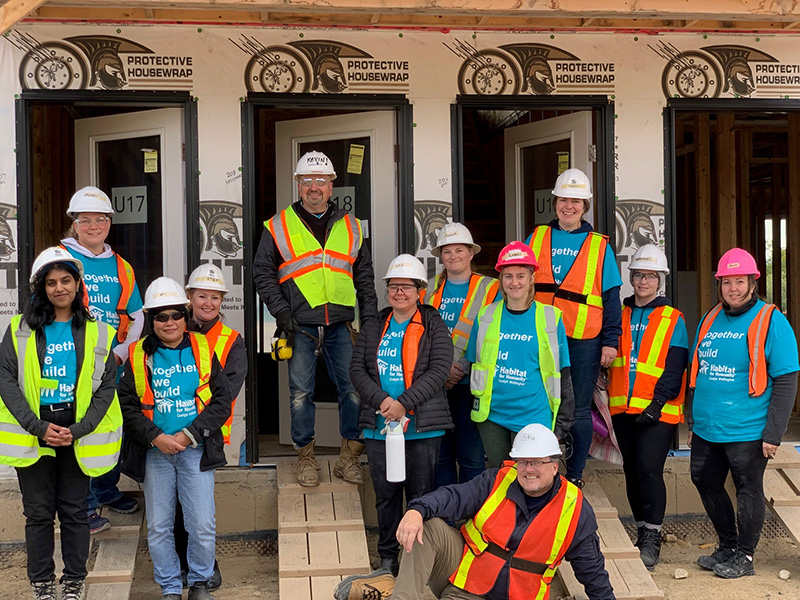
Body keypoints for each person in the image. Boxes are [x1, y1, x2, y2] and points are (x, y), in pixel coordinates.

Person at [334, 423, 615, 600]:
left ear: (555, 466)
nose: (529, 469)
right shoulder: (496, 480)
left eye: (537, 463)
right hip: (462, 576)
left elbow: (592, 571)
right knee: (429, 526)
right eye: (523, 462)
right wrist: (416, 510)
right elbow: (453, 496)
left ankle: (385, 588)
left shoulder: (575, 508)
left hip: (518, 593)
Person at [0, 247, 122, 600]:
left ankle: (73, 580)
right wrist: (37, 426)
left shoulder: (97, 332)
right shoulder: (19, 329)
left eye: (65, 280)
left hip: (76, 428)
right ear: (40, 288)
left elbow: (106, 386)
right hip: (34, 428)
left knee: (74, 512)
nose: (59, 288)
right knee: (38, 514)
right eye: (50, 282)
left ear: (77, 284)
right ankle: (42, 585)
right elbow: (6, 379)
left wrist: (79, 429)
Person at [254, 151, 379, 486]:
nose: (314, 187)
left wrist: (369, 319)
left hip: (341, 324)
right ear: (297, 185)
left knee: (353, 391)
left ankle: (348, 458)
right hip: (300, 325)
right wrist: (281, 311)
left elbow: (363, 276)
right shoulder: (278, 226)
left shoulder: (351, 226)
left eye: (320, 181)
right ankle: (305, 460)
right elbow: (262, 273)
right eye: (307, 181)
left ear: (331, 186)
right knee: (299, 393)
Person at [687, 248, 799, 579]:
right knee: (703, 480)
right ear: (719, 284)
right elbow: (698, 372)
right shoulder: (710, 318)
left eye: (740, 281)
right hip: (708, 425)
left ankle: (745, 557)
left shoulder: (771, 320)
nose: (733, 289)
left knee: (748, 487)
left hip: (748, 428)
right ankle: (727, 545)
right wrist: (692, 420)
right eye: (727, 282)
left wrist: (773, 432)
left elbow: (786, 379)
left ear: (753, 282)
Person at [118, 277, 232, 600]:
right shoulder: (138, 355)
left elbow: (221, 400)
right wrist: (155, 437)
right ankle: (170, 588)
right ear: (151, 321)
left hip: (194, 449)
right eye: (161, 316)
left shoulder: (202, 348)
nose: (170, 322)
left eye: (176, 315)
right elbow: (127, 406)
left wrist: (189, 434)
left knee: (201, 523)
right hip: (156, 452)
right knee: (158, 526)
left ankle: (198, 583)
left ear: (186, 315)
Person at [351, 254, 453, 575]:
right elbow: (357, 369)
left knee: (420, 496)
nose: (399, 293)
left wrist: (403, 403)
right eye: (393, 286)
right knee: (386, 495)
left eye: (406, 287)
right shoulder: (373, 326)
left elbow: (438, 371)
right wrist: (383, 401)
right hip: (379, 427)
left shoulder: (434, 324)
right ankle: (388, 558)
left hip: (422, 428)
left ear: (419, 290)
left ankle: (416, 563)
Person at [526, 168, 622, 487]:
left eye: (577, 201)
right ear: (554, 202)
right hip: (541, 336)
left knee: (579, 409)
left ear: (585, 206)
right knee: (541, 403)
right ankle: (541, 468)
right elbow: (518, 285)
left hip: (584, 340)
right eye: (564, 199)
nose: (569, 206)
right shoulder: (537, 237)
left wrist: (611, 342)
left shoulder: (599, 246)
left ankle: (576, 474)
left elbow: (610, 299)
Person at [61, 185, 144, 530]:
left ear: (109, 222)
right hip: (73, 362)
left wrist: (122, 354)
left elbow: (137, 314)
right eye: (85, 220)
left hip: (111, 363)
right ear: (74, 223)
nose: (93, 226)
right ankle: (86, 505)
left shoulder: (121, 266)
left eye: (100, 219)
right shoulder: (59, 258)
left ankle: (107, 490)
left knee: (112, 427)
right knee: (81, 429)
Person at [607, 245, 688, 570]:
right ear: (632, 278)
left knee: (649, 469)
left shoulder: (673, 318)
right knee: (631, 470)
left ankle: (653, 536)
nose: (643, 281)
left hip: (659, 411)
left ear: (660, 280)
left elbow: (675, 364)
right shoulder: (621, 315)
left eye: (650, 276)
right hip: (622, 409)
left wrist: (656, 404)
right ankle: (642, 532)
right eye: (639, 275)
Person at [169, 263, 247, 591]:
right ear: (189, 297)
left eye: (215, 297)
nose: (208, 303)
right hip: (167, 433)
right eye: (202, 295)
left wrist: (192, 427)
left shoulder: (231, 340)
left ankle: (206, 565)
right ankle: (182, 565)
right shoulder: (169, 328)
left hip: (207, 436)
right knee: (172, 504)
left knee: (199, 508)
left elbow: (226, 391)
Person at [465, 241, 575, 469]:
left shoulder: (551, 318)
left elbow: (563, 373)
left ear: (532, 278)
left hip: (534, 415)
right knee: (501, 478)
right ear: (501, 280)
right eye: (508, 276)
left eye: (521, 276)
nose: (514, 282)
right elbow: (475, 363)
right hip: (492, 417)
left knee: (531, 481)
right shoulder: (486, 315)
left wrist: (561, 427)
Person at [425, 223, 499, 488]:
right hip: (436, 384)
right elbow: (422, 335)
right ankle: (446, 519)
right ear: (440, 256)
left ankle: (471, 518)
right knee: (441, 456)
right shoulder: (429, 288)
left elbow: (493, 333)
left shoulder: (492, 287)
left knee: (471, 456)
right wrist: (441, 371)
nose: (453, 256)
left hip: (471, 384)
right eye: (447, 251)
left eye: (459, 250)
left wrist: (463, 366)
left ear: (471, 253)